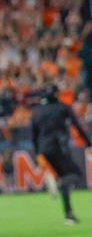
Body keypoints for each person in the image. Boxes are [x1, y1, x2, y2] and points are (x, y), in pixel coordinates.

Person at [31, 83, 91, 224]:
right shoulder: (62, 107)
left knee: (65, 177)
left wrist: (38, 155)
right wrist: (89, 143)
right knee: (74, 175)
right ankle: (59, 184)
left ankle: (69, 215)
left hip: (43, 149)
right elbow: (77, 125)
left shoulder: (36, 111)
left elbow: (33, 136)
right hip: (59, 146)